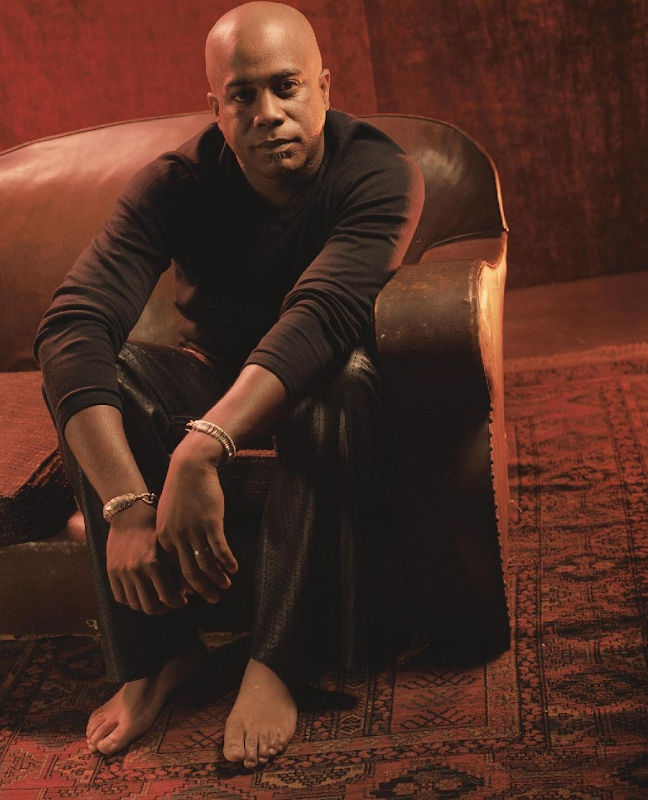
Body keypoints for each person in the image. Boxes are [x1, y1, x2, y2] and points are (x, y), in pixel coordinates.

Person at [35, 1, 425, 770]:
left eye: (286, 86)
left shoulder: (380, 172)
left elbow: (320, 316)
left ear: (323, 85)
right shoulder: (175, 183)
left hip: (332, 394)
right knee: (112, 371)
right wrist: (125, 504)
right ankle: (158, 657)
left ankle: (279, 659)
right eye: (242, 95)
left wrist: (201, 448)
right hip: (210, 376)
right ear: (215, 106)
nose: (267, 112)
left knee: (341, 379)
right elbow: (73, 323)